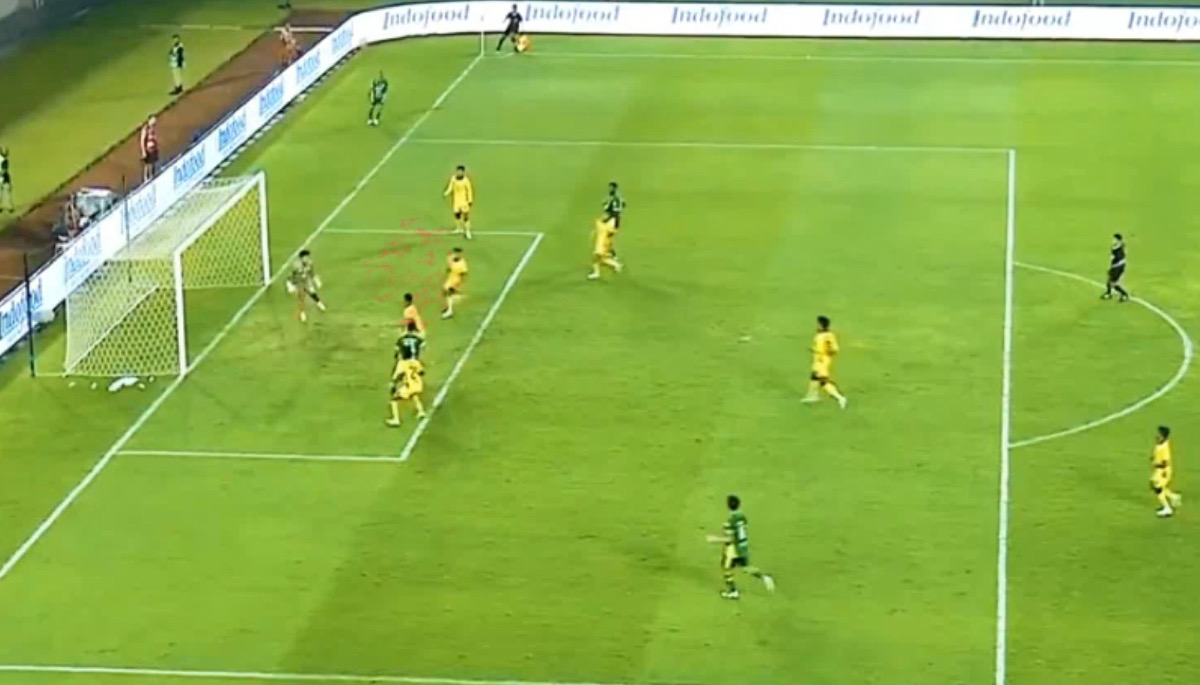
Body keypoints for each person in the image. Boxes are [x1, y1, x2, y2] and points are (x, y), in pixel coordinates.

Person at [706, 495, 775, 600]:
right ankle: (764, 577)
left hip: (733, 550)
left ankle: (733, 591)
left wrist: (714, 539)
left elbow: (730, 538)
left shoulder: (730, 521)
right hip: (743, 546)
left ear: (728, 505)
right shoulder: (742, 517)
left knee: (726, 568)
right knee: (745, 567)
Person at [803, 315, 847, 408]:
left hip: (822, 362)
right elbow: (828, 348)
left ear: (822, 325)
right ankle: (813, 395)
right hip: (819, 361)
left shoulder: (825, 336)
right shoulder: (824, 335)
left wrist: (823, 354)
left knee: (824, 382)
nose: (817, 326)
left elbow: (834, 349)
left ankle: (840, 397)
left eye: (818, 324)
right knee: (814, 377)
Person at [387, 332, 427, 427]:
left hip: (409, 385)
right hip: (418, 384)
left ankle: (396, 419)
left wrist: (393, 384)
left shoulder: (402, 363)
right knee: (414, 395)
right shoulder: (416, 362)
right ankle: (421, 411)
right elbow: (422, 372)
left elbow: (396, 377)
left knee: (394, 400)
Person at [1151, 425, 1183, 518]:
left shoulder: (1164, 447)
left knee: (1158, 489)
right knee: (1155, 486)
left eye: (1159, 433)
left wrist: (1157, 465)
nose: (1157, 435)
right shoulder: (1161, 443)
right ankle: (1174, 497)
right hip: (1159, 470)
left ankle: (1167, 509)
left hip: (1163, 471)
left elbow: (1165, 462)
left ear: (1163, 435)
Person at [286, 249, 326, 322]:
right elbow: (290, 276)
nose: (307, 258)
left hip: (306, 281)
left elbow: (311, 273)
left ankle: (319, 303)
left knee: (312, 293)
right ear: (302, 258)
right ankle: (302, 313)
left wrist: (316, 280)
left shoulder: (310, 263)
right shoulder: (296, 265)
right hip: (298, 282)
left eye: (308, 257)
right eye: (306, 257)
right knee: (301, 298)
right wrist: (290, 285)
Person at [443, 165, 474, 239]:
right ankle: (458, 228)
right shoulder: (453, 179)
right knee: (457, 215)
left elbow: (469, 190)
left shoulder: (466, 180)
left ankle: (467, 231)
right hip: (456, 201)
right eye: (458, 171)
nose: (459, 173)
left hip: (464, 201)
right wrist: (446, 193)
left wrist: (470, 200)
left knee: (465, 217)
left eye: (460, 171)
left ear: (463, 172)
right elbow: (450, 187)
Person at [587, 215, 622, 280]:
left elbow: (600, 224)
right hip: (605, 242)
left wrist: (599, 223)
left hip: (602, 244)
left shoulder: (606, 225)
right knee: (598, 259)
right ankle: (598, 272)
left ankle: (615, 265)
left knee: (600, 259)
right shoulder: (611, 224)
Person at [1101, 233, 1129, 302]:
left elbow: (1118, 258)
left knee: (1114, 283)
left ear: (1118, 240)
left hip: (1118, 267)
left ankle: (1124, 294)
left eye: (1114, 239)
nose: (1113, 240)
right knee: (1109, 280)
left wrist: (1114, 263)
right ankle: (1108, 294)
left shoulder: (1119, 248)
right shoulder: (1115, 247)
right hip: (1115, 266)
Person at [442, 247, 468, 319]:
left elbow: (463, 274)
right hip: (451, 278)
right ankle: (450, 307)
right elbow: (449, 268)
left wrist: (461, 284)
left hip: (456, 280)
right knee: (446, 293)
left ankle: (450, 310)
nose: (456, 255)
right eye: (455, 253)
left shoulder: (462, 263)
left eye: (458, 254)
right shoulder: (451, 260)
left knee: (448, 292)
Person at [139, 116, 159, 183]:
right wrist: (144, 151)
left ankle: (152, 176)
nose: (154, 122)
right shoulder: (145, 129)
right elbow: (142, 141)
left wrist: (156, 146)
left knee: (153, 164)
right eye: (153, 121)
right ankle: (146, 179)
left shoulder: (153, 128)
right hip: (148, 150)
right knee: (147, 165)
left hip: (153, 149)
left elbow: (154, 138)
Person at [0, 146, 12, 213]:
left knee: (4, 193)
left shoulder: (4, 161)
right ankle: (8, 207)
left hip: (3, 179)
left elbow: (4, 171)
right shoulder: (4, 161)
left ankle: (8, 207)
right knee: (5, 193)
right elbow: (4, 171)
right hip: (4, 179)